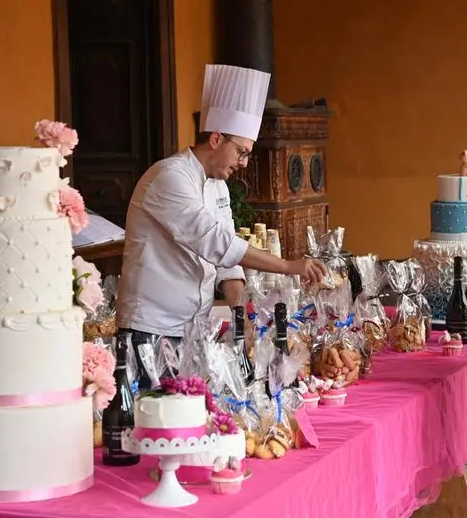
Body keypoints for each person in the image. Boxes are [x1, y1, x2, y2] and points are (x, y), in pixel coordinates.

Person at [116, 64, 326, 386]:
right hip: (151, 328)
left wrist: (244, 315)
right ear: (216, 138)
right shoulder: (169, 177)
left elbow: (228, 266)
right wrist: (288, 265)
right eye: (241, 152)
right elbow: (217, 243)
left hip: (196, 328)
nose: (243, 163)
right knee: (153, 423)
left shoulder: (218, 187)